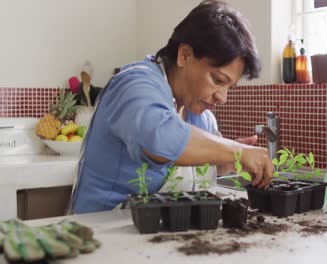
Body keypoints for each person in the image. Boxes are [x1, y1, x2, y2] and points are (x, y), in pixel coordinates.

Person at [69, 0, 274, 214]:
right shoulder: (135, 84)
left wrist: (227, 161)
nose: (223, 98)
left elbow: (194, 159)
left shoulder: (199, 113)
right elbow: (160, 140)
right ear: (184, 55)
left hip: (158, 236)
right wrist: (237, 151)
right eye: (218, 80)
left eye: (229, 86)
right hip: (102, 235)